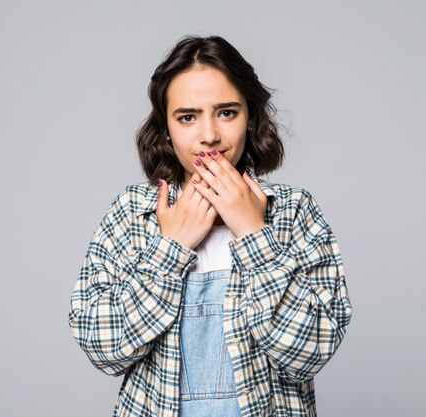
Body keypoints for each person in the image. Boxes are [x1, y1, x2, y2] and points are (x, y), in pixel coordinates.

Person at [67, 34, 353, 417]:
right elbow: (103, 348)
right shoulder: (132, 214)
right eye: (187, 117)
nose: (209, 136)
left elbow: (310, 353)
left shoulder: (292, 211)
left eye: (227, 112)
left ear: (250, 117)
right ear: (166, 127)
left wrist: (253, 233)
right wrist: (172, 246)